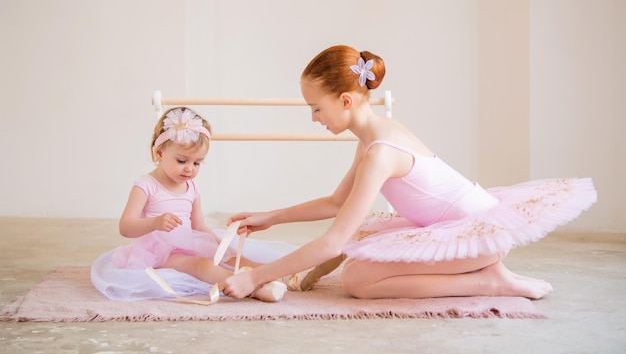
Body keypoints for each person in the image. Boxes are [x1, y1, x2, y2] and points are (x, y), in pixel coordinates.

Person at [219, 45, 598, 301]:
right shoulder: (373, 137)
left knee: (358, 279)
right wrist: (271, 217)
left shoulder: (381, 152)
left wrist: (255, 276)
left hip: (479, 237)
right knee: (363, 240)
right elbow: (337, 202)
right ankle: (485, 273)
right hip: (460, 227)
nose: (314, 118)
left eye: (316, 108)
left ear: (345, 101)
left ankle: (490, 280)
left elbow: (334, 242)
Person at [91, 107, 292, 302]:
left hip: (189, 242)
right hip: (159, 254)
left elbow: (199, 225)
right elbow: (125, 226)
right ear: (159, 153)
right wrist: (154, 223)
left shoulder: (191, 188)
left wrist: (220, 246)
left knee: (227, 256)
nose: (189, 169)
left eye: (197, 163)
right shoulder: (146, 186)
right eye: (182, 161)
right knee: (200, 264)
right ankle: (251, 288)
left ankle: (268, 273)